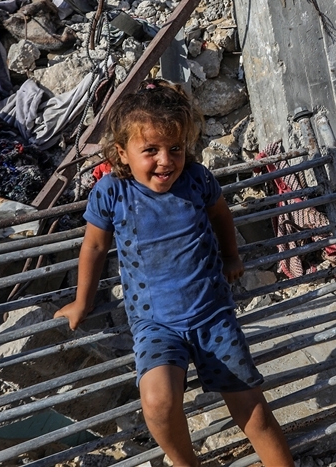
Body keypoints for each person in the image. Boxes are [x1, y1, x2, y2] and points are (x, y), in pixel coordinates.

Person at [56, 80, 294, 467]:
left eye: (175, 149)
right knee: (158, 402)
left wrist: (231, 255)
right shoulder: (112, 192)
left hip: (212, 314)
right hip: (155, 324)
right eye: (150, 150)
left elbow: (220, 214)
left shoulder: (196, 180)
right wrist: (82, 302)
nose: (165, 161)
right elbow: (95, 246)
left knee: (253, 410)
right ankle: (187, 463)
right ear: (122, 153)